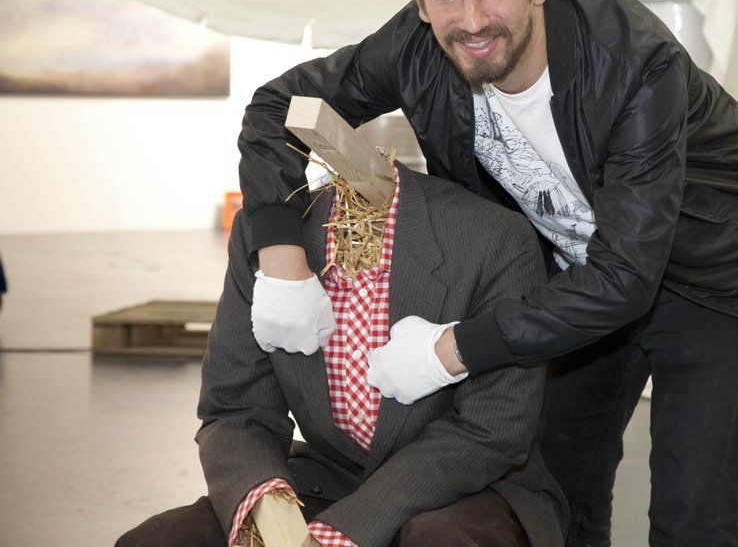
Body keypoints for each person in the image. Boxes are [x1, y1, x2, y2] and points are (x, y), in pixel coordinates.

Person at [240, 0, 738, 547]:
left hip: (707, 270)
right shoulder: (415, 48)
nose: (472, 19)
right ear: (421, 3)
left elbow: (627, 276)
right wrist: (280, 257)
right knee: (557, 494)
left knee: (694, 514)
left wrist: (451, 349)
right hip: (573, 275)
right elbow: (278, 108)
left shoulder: (632, 61)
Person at [116, 163, 568, 547]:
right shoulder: (267, 242)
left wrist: (345, 530)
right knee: (159, 540)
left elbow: (492, 431)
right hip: (331, 476)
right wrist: (267, 507)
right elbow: (237, 409)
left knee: (441, 540)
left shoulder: (494, 236)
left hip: (469, 486)